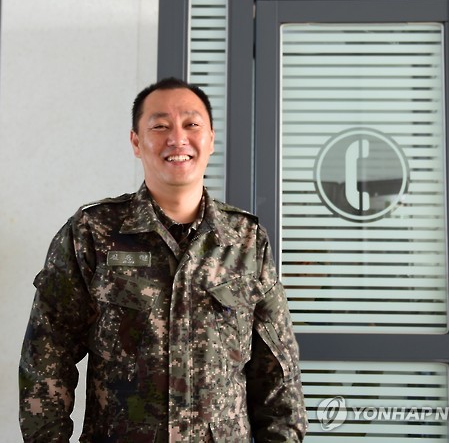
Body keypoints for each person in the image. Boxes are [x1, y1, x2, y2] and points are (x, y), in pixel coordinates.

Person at [19, 77, 308, 442]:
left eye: (191, 124)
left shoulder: (246, 241)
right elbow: (46, 358)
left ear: (211, 139)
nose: (177, 138)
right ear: (136, 142)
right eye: (160, 127)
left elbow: (279, 377)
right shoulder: (92, 233)